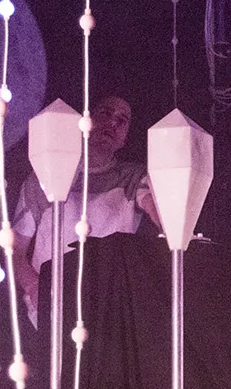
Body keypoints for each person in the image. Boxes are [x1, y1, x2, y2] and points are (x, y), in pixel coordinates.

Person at [12, 95, 160, 322]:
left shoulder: (133, 178)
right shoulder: (43, 175)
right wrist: (33, 286)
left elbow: (157, 209)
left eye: (122, 120)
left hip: (109, 311)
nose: (113, 123)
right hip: (52, 309)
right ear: (86, 120)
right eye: (106, 113)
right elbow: (14, 249)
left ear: (125, 138)